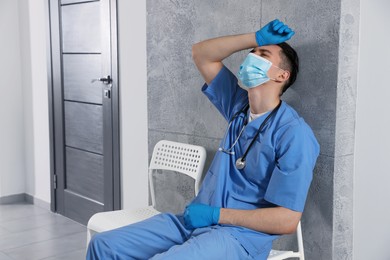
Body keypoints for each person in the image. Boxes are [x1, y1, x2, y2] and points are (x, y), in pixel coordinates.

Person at [87, 19, 320, 260]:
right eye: (252, 53)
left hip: (238, 238)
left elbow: (287, 220)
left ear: (282, 75)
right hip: (191, 222)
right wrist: (257, 38)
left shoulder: (294, 134)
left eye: (262, 54)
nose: (251, 58)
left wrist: (215, 216)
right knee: (103, 246)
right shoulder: (238, 108)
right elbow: (202, 54)